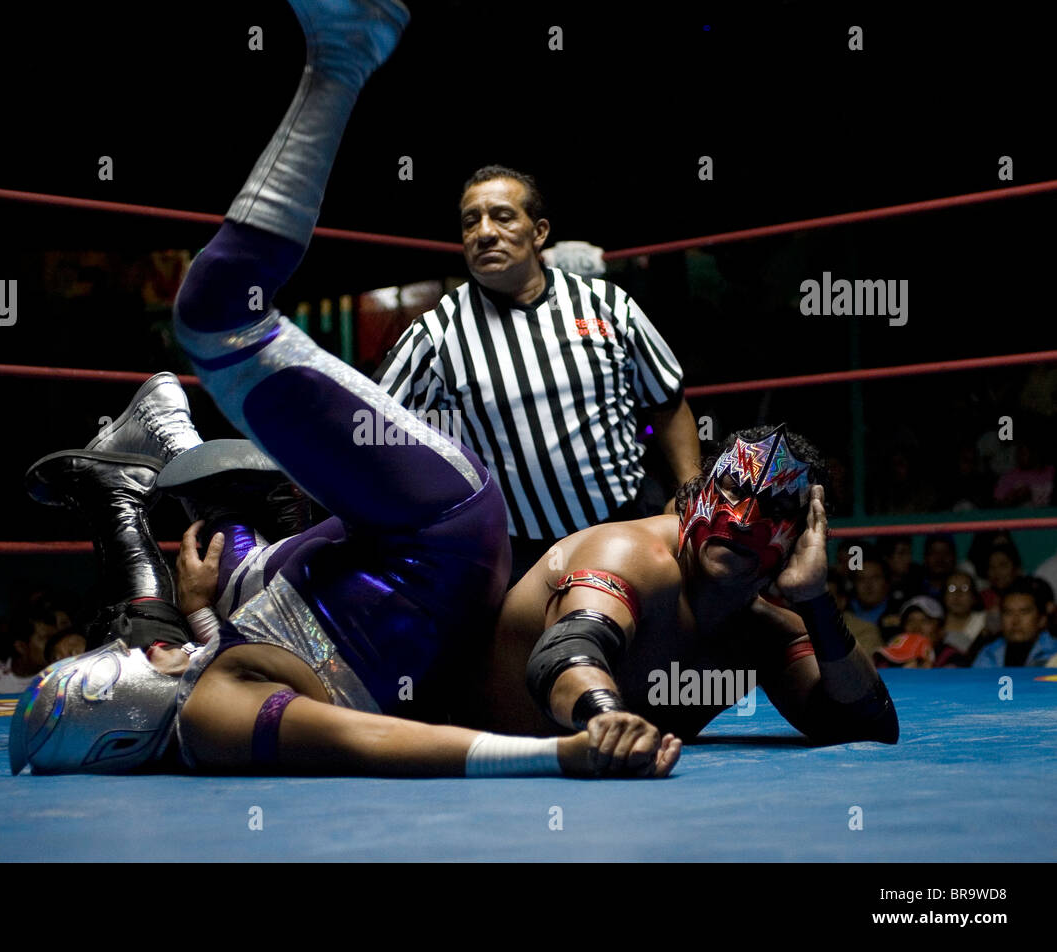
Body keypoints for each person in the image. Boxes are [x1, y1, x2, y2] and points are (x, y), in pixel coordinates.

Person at [9, 0, 671, 781]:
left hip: (389, 552)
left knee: (232, 553)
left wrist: (194, 613)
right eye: (127, 661)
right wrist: (555, 757)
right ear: (128, 720)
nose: (136, 648)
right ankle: (344, 57)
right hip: (441, 533)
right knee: (218, 322)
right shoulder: (215, 712)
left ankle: (158, 446)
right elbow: (371, 744)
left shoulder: (212, 665)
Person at [464, 425, 900, 748]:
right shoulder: (632, 555)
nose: (744, 520)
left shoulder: (763, 631)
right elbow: (565, 654)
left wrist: (816, 601)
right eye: (732, 490)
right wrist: (609, 720)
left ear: (802, 536)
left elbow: (865, 723)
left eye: (776, 507)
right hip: (462, 777)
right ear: (698, 494)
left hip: (614, 804)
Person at [375, 164, 701, 584]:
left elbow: (667, 403)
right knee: (547, 646)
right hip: (519, 548)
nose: (484, 232)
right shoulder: (435, 333)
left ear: (540, 232)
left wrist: (692, 491)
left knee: (655, 637)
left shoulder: (603, 304)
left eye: (503, 216)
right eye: (470, 222)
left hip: (627, 516)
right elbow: (370, 426)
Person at [972, 578, 1056, 667]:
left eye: (1024, 612)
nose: (1015, 621)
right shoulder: (988, 653)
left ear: (1042, 620)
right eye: (1008, 612)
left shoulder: (1054, 653)